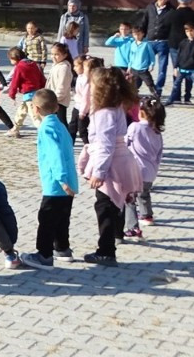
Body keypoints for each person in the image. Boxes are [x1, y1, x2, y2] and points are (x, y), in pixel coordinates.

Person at [77, 66, 143, 266]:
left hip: (112, 163)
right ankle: (114, 238)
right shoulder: (116, 107)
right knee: (114, 204)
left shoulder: (105, 112)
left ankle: (106, 251)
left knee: (104, 206)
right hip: (120, 159)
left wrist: (99, 172)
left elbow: (106, 145)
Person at [18, 89, 79, 270]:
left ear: (35, 109)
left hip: (56, 184)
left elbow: (56, 155)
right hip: (70, 183)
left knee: (46, 218)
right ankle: (62, 248)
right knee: (62, 218)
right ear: (57, 106)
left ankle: (44, 255)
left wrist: (61, 179)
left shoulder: (45, 128)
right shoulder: (60, 125)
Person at [124, 96, 165, 240]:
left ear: (142, 112)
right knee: (144, 193)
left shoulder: (135, 127)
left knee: (129, 198)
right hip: (151, 171)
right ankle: (147, 215)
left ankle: (133, 228)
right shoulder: (157, 132)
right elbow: (160, 152)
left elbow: (125, 143)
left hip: (136, 169)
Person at [165, 0, 194, 100]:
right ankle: (187, 95)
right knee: (190, 68)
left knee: (177, 68)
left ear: (178, 1)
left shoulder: (172, 14)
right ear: (190, 2)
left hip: (175, 45)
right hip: (191, 45)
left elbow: (165, 27)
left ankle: (176, 95)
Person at [137, 0, 175, 95]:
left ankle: (158, 90)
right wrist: (140, 38)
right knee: (141, 65)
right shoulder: (150, 7)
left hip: (163, 42)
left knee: (162, 68)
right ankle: (136, 86)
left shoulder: (172, 10)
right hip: (149, 42)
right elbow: (144, 22)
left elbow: (173, 27)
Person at [5, 47, 45, 138]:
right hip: (36, 93)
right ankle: (15, 129)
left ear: (14, 58)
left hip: (29, 95)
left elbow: (15, 81)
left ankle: (45, 133)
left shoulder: (19, 67)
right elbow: (41, 76)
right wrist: (43, 87)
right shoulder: (33, 64)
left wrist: (12, 94)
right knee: (21, 111)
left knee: (35, 117)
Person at [126, 27, 159, 98]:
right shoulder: (132, 44)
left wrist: (152, 64)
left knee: (149, 83)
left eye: (139, 34)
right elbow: (131, 56)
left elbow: (151, 55)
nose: (137, 36)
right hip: (134, 68)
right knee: (135, 84)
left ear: (142, 34)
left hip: (143, 69)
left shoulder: (146, 44)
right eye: (135, 35)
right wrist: (129, 66)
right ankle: (133, 96)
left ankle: (155, 95)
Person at [48, 43, 74, 122]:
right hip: (53, 99)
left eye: (56, 54)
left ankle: (65, 134)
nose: (53, 57)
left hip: (59, 101)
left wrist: (56, 99)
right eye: (52, 54)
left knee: (61, 123)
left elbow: (62, 86)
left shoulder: (64, 68)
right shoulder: (56, 65)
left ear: (65, 55)